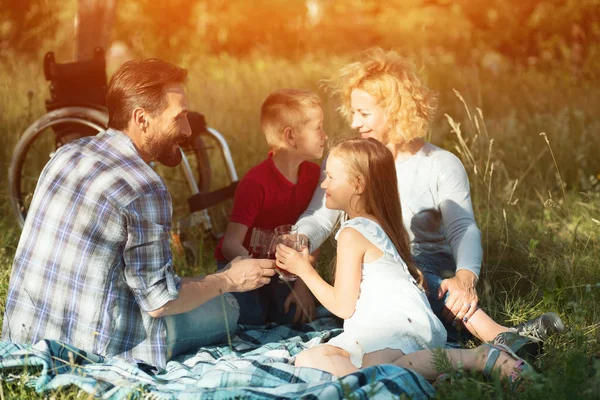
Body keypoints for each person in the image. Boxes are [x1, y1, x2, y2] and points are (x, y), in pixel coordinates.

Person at [2, 59, 276, 369]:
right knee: (226, 307)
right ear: (141, 119)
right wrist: (229, 280)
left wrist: (207, 280)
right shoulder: (145, 187)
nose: (187, 131)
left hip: (26, 333)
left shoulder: (68, 153)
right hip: (88, 347)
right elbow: (160, 303)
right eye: (179, 117)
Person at [295, 47, 564, 346]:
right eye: (354, 113)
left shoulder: (440, 163)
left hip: (431, 272)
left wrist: (464, 278)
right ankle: (507, 337)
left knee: (415, 268)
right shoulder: (349, 163)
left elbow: (463, 228)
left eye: (364, 113)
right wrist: (299, 240)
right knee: (401, 268)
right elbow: (320, 215)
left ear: (396, 110)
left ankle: (499, 337)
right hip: (375, 273)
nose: (355, 123)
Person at [276, 138, 536, 387]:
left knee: (376, 373)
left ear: (357, 184)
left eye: (330, 177)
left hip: (394, 325)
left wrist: (305, 270)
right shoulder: (377, 222)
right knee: (309, 359)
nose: (323, 184)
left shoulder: (352, 233)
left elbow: (343, 307)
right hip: (401, 323)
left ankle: (482, 357)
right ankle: (429, 376)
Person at [214, 89, 327, 326]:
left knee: (295, 316)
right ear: (291, 136)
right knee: (249, 317)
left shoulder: (315, 176)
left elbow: (315, 234)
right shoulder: (256, 183)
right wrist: (257, 270)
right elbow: (230, 244)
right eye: (318, 127)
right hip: (242, 264)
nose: (325, 135)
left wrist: (303, 285)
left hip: (284, 269)